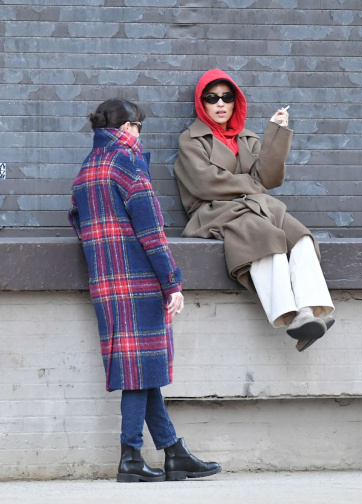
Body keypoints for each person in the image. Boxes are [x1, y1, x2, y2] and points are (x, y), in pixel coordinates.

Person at [68, 98, 221, 482]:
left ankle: (173, 452)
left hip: (106, 284)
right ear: (128, 127)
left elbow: (77, 220)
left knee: (141, 367)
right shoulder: (128, 164)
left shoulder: (86, 171)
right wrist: (172, 282)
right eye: (139, 127)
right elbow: (152, 233)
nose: (140, 134)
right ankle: (131, 455)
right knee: (139, 370)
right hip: (138, 283)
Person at [174, 70, 335, 352]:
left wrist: (276, 133)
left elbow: (269, 179)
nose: (220, 103)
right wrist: (253, 185)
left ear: (236, 102)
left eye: (227, 97)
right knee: (264, 235)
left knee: (301, 236)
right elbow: (206, 183)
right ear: (202, 103)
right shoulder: (191, 140)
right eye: (212, 98)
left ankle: (309, 310)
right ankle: (291, 316)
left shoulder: (246, 138)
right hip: (214, 212)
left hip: (258, 207)